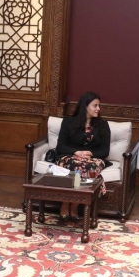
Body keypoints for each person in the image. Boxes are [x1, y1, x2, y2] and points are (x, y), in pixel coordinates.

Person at [53, 92, 111, 222]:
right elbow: (60, 147)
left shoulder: (103, 125)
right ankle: (66, 203)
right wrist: (77, 152)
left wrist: (90, 154)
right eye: (95, 105)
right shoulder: (68, 122)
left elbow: (105, 151)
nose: (98, 109)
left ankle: (75, 204)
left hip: (93, 159)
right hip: (70, 156)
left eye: (99, 106)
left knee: (89, 166)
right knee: (75, 164)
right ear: (85, 106)